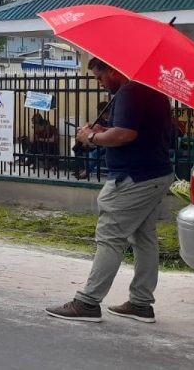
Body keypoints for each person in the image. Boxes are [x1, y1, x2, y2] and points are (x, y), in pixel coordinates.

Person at [47, 59, 176, 324]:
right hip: (156, 173)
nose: (100, 82)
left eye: (100, 77)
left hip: (133, 178)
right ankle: (141, 302)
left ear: (114, 70)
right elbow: (134, 132)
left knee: (110, 237)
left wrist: (91, 138)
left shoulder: (130, 91)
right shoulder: (151, 89)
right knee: (144, 238)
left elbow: (125, 135)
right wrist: (103, 131)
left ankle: (88, 302)